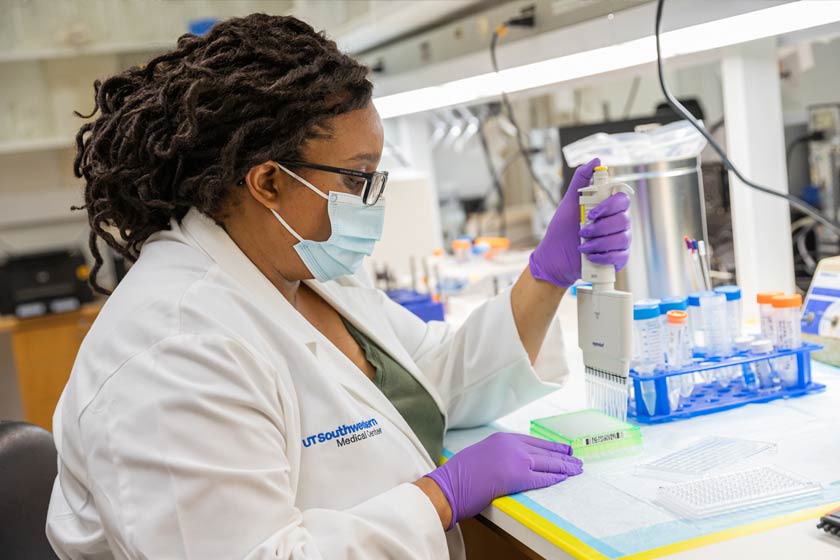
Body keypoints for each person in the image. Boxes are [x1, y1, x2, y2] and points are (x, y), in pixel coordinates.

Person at [46, 13, 631, 560]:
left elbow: (439, 375)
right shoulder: (172, 350)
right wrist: (441, 496)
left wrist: (547, 275)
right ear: (269, 182)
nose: (371, 199)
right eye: (357, 177)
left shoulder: (301, 272)